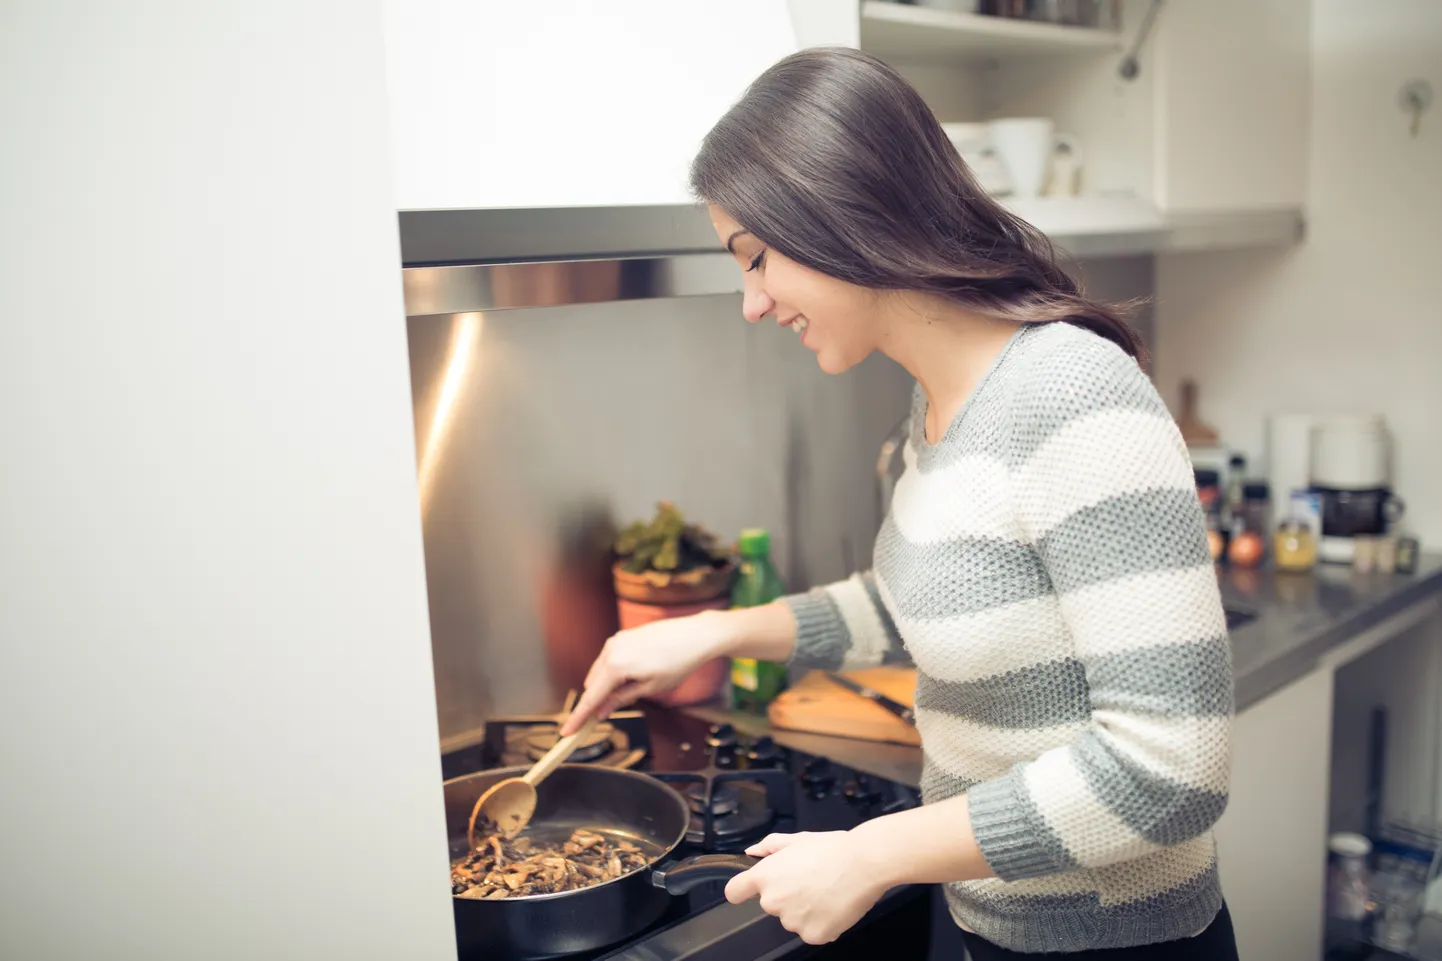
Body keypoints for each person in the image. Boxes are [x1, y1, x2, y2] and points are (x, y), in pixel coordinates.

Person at [563, 47, 1237, 960]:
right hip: (992, 926)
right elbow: (911, 600)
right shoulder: (937, 406)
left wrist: (874, 852)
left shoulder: (1074, 394)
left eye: (756, 258)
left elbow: (1170, 769)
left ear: (843, 212)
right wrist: (713, 632)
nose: (751, 303)